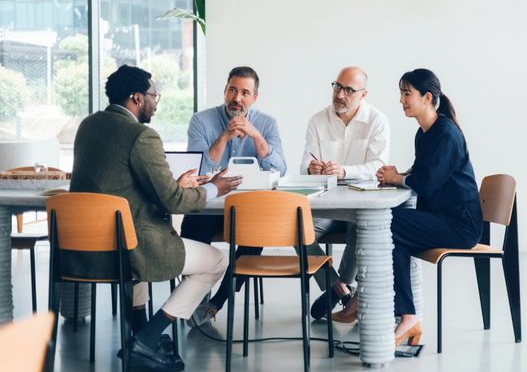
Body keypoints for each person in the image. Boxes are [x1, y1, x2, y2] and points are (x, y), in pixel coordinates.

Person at [69, 64, 242, 372]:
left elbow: (118, 183)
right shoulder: (141, 135)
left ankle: (136, 333)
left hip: (88, 252)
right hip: (132, 249)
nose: (156, 102)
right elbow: (173, 201)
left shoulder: (88, 126)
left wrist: (177, 184)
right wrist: (214, 188)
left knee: (135, 255)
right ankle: (147, 338)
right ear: (137, 98)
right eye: (153, 95)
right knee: (217, 261)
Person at [339, 69, 482, 346]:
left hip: (460, 225)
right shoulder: (425, 133)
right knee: (390, 229)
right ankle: (406, 315)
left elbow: (426, 183)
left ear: (427, 97)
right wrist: (397, 174)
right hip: (440, 217)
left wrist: (399, 178)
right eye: (401, 93)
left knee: (387, 224)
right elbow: (422, 173)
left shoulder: (446, 133)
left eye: (407, 93)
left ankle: (393, 310)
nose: (402, 100)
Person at [181, 66, 287, 327]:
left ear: (254, 98)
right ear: (225, 90)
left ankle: (217, 302)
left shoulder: (267, 123)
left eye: (244, 92)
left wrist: (255, 135)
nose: (237, 98)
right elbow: (198, 171)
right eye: (232, 90)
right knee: (192, 225)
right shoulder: (201, 121)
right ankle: (194, 296)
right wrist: (225, 136)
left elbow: (280, 169)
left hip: (247, 211)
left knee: (256, 235)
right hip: (209, 209)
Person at [299, 66, 390, 320]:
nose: (340, 94)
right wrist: (311, 168)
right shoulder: (317, 120)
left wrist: (344, 171)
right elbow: (304, 165)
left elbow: (378, 167)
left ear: (363, 94)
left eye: (349, 90)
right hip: (324, 205)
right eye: (337, 86)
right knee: (296, 229)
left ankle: (338, 287)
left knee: (363, 229)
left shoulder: (377, 121)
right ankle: (338, 287)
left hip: (358, 205)